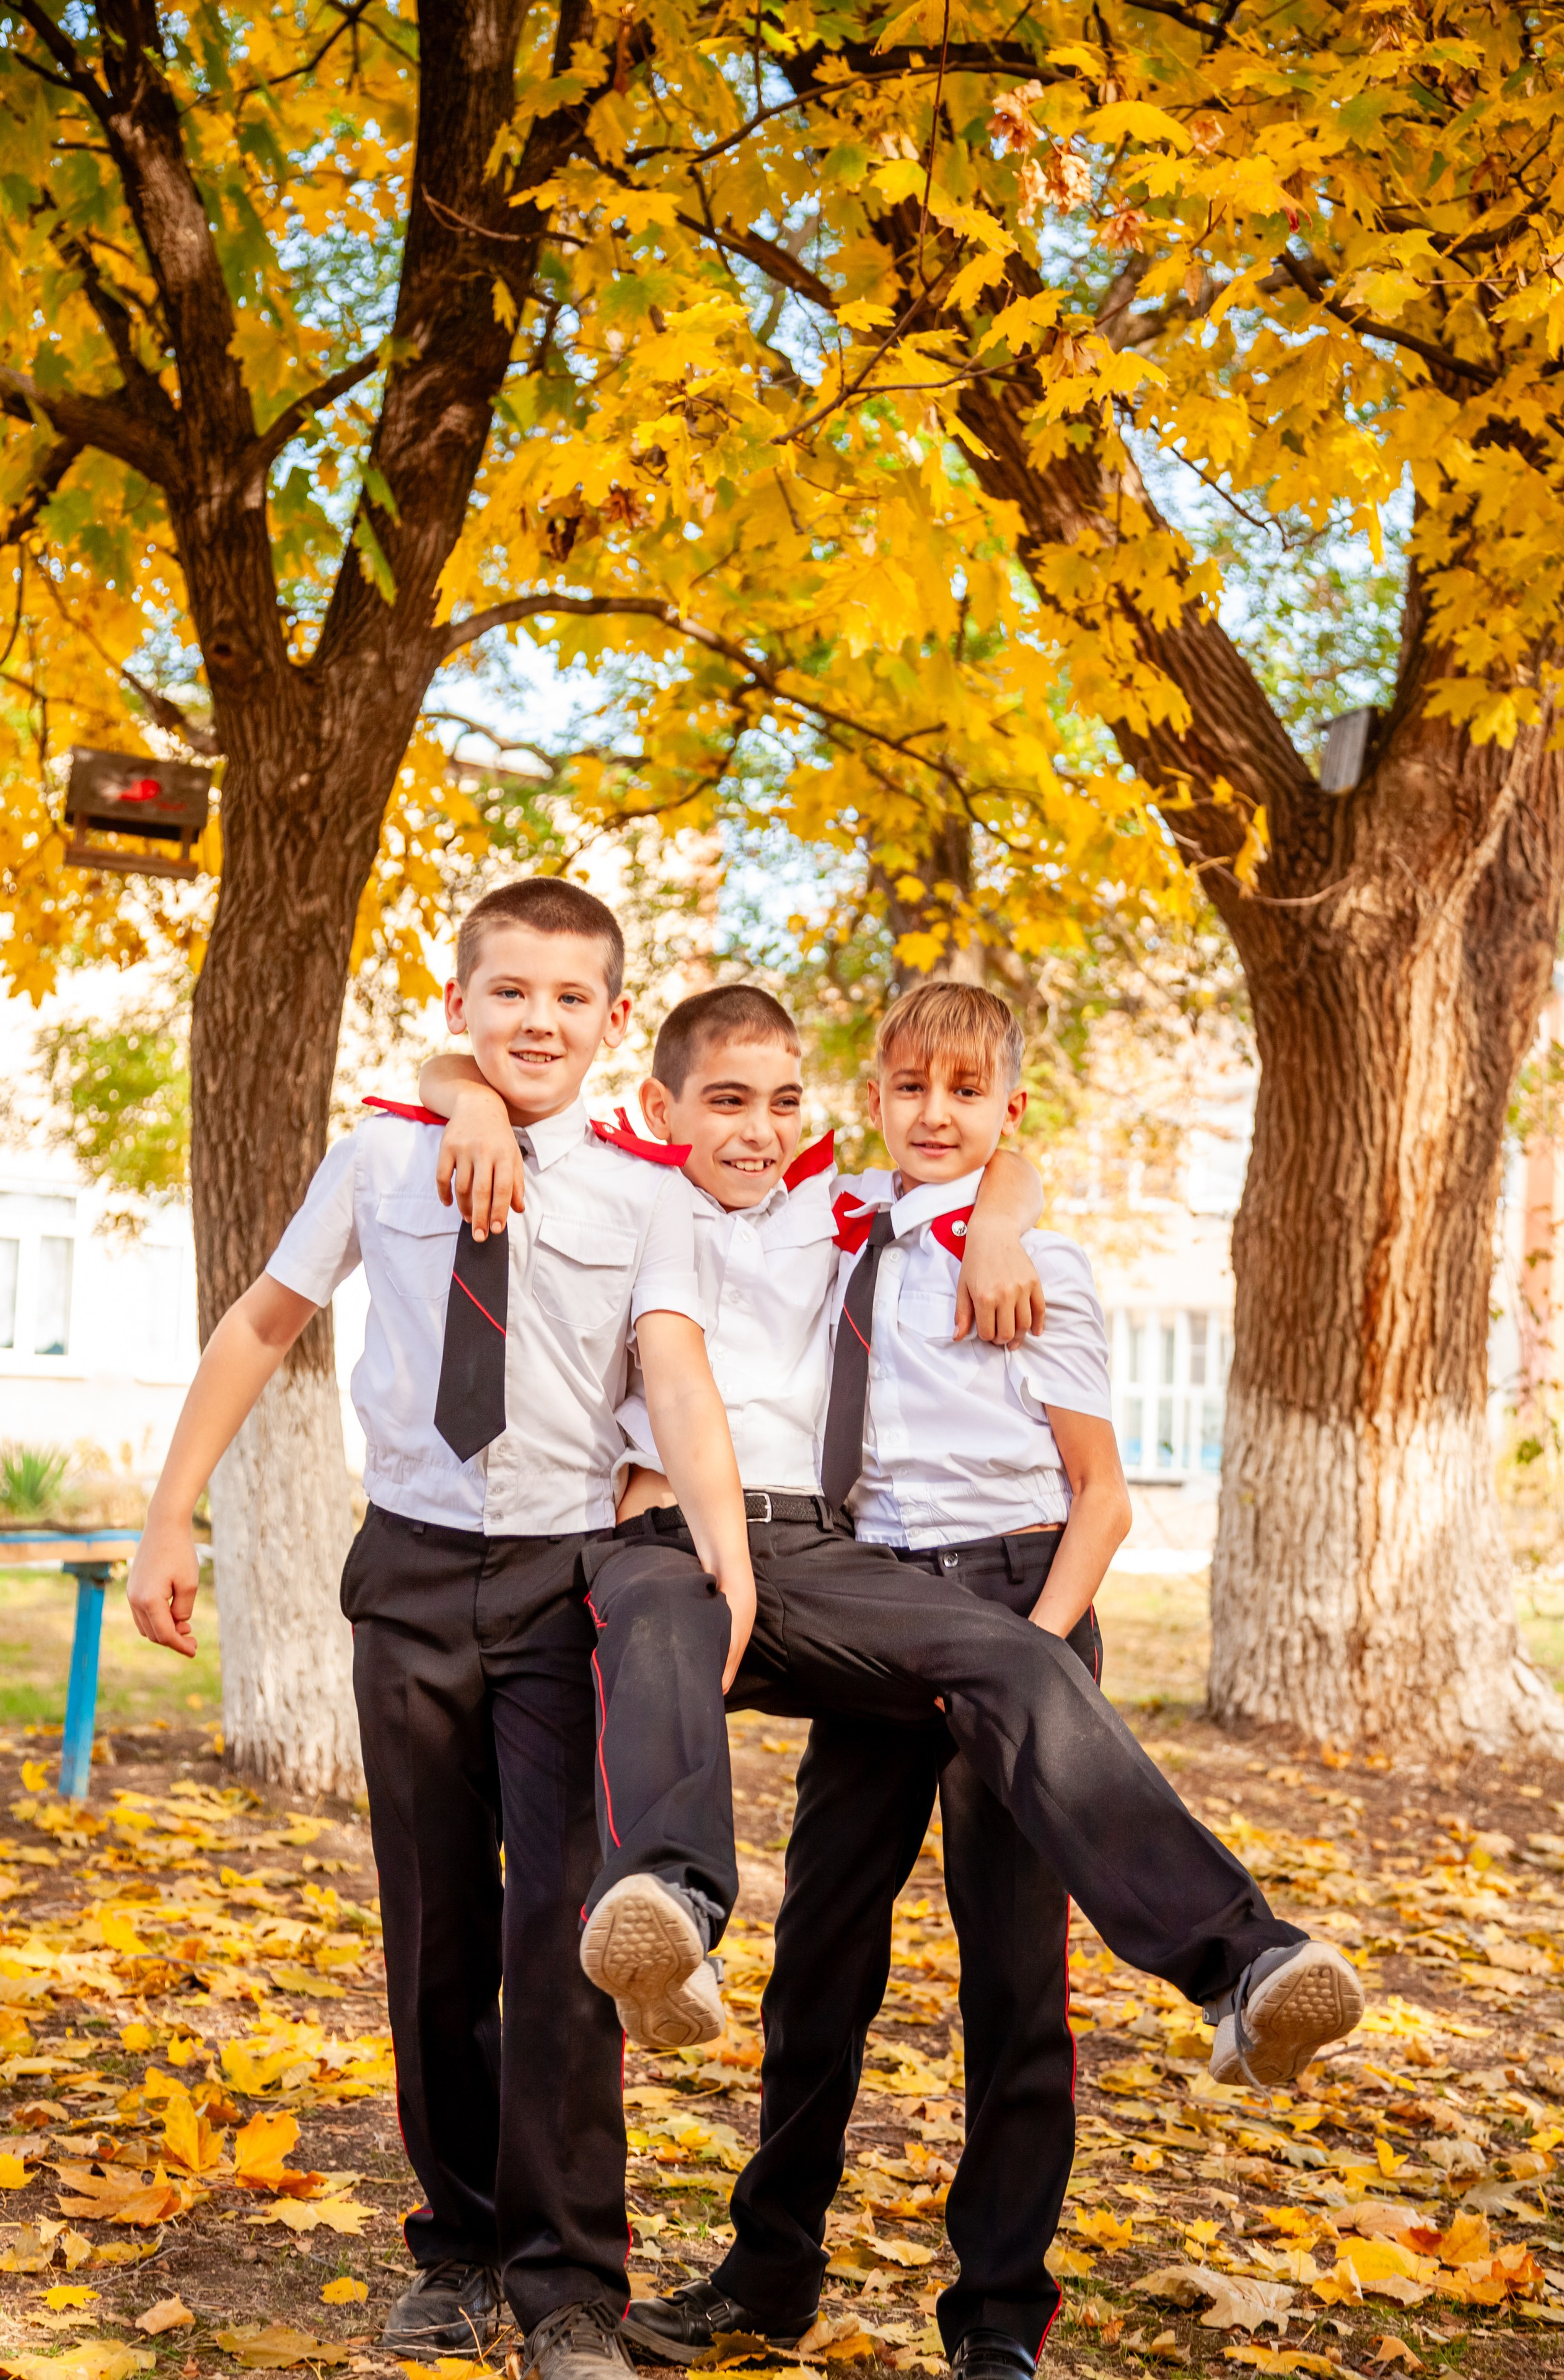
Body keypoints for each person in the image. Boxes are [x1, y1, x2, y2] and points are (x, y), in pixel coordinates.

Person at [421, 980, 1366, 2380]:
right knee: (820, 1962)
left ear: (1006, 1111)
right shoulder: (837, 1206)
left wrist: (1006, 1223)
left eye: (965, 1094)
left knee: (1013, 1989)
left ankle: (1007, 2304)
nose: (933, 1113)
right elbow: (499, 1083)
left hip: (1016, 1601)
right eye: (907, 1089)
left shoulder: (1024, 1259)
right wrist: (468, 1097)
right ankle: (767, 2264)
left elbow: (1100, 1494)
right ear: (867, 1104)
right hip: (867, 1589)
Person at [126, 879, 759, 2380]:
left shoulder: (645, 1192)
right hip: (408, 1573)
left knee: (563, 1937)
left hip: (562, 1584)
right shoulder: (380, 1154)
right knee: (434, 1932)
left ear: (615, 1019)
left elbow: (674, 1371)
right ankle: (460, 2248)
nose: (536, 1022)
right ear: (459, 1003)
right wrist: (170, 1514)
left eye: (568, 998)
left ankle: (568, 2291)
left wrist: (725, 1556)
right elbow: (262, 1322)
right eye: (507, 994)